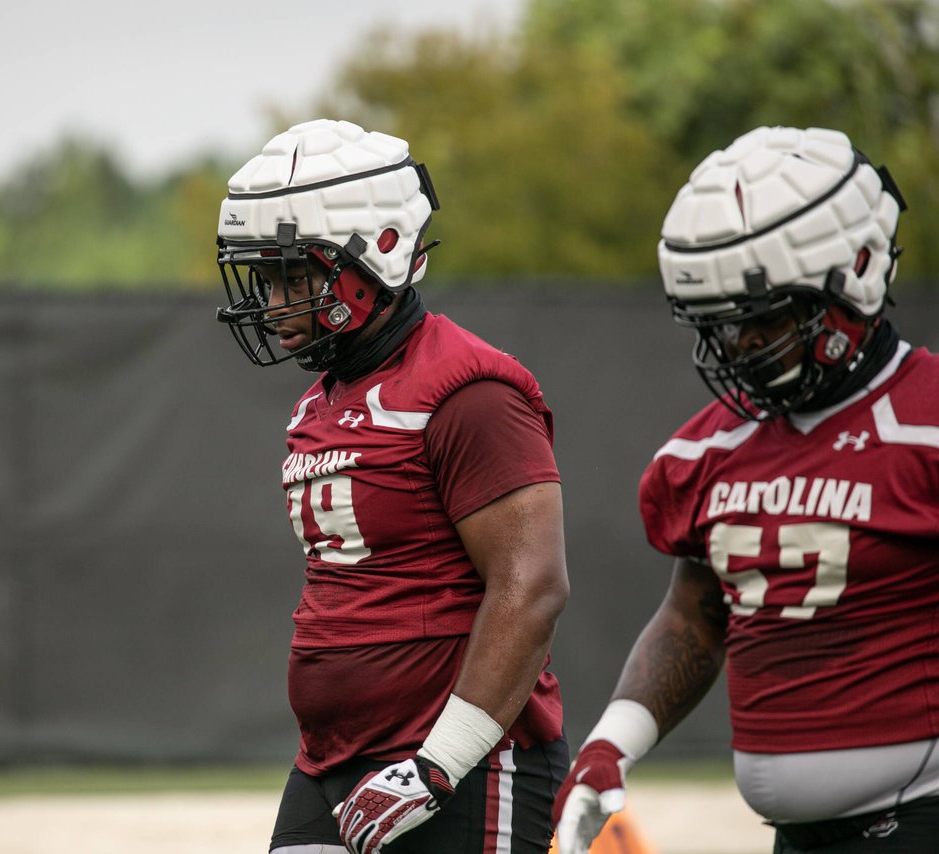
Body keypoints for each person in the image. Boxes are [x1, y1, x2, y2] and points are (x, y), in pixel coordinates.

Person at [552, 125, 939, 854]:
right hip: (796, 839)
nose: (739, 347)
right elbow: (695, 617)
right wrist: (609, 747)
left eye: (761, 319)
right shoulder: (708, 447)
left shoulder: (927, 424)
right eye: (720, 326)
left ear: (853, 276)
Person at [215, 119, 570, 854]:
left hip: (461, 765)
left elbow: (531, 587)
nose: (274, 301)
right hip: (330, 760)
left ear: (377, 252)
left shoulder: (467, 388)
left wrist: (439, 766)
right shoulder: (322, 399)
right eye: (265, 277)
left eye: (294, 275)